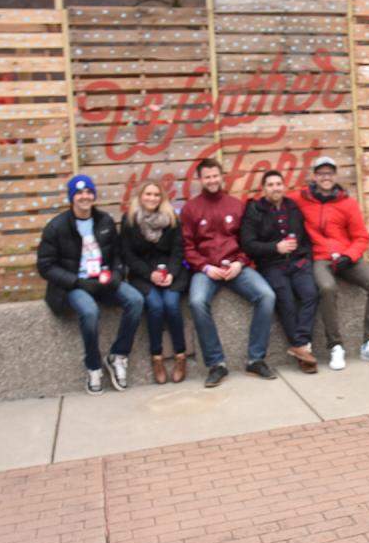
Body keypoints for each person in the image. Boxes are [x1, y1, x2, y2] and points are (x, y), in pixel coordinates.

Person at [37, 175, 144, 395]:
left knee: (135, 300)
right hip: (74, 284)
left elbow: (117, 255)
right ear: (71, 197)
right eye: (79, 193)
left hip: (103, 280)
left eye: (88, 192)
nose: (85, 197)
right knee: (89, 311)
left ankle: (118, 356)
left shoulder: (104, 221)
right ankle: (93, 366)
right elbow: (45, 266)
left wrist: (116, 274)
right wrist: (77, 282)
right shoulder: (56, 227)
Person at [182, 157, 277, 387]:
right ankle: (217, 364)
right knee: (196, 301)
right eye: (207, 177)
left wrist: (240, 263)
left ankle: (256, 359)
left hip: (236, 266)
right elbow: (187, 248)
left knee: (267, 296)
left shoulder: (237, 205)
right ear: (200, 180)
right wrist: (205, 267)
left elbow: (246, 241)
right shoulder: (190, 209)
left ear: (221, 176)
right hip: (206, 270)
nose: (212, 180)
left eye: (215, 176)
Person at [289, 156, 369, 370]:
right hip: (320, 258)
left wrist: (349, 256)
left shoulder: (347, 202)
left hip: (347, 257)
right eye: (321, 173)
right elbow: (276, 197)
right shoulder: (302, 198)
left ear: (335, 176)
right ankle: (335, 346)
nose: (326, 177)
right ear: (314, 176)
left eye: (330, 173)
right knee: (326, 288)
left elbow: (361, 237)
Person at [241, 170, 319, 374]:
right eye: (271, 184)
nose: (275, 188)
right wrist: (275, 248)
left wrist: (307, 260)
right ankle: (304, 353)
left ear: (284, 187)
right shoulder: (255, 210)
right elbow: (248, 245)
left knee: (310, 294)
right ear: (263, 189)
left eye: (278, 184)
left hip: (298, 263)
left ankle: (300, 345)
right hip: (271, 264)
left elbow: (305, 240)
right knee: (285, 301)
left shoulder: (293, 207)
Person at [120, 180, 189, 384]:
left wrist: (171, 273)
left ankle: (180, 355)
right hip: (143, 274)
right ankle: (156, 357)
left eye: (156, 195)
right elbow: (128, 255)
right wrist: (149, 274)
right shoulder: (130, 220)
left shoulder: (171, 219)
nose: (152, 198)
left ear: (162, 198)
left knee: (171, 305)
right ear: (140, 196)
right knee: (156, 306)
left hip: (170, 272)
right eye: (148, 194)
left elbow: (178, 251)